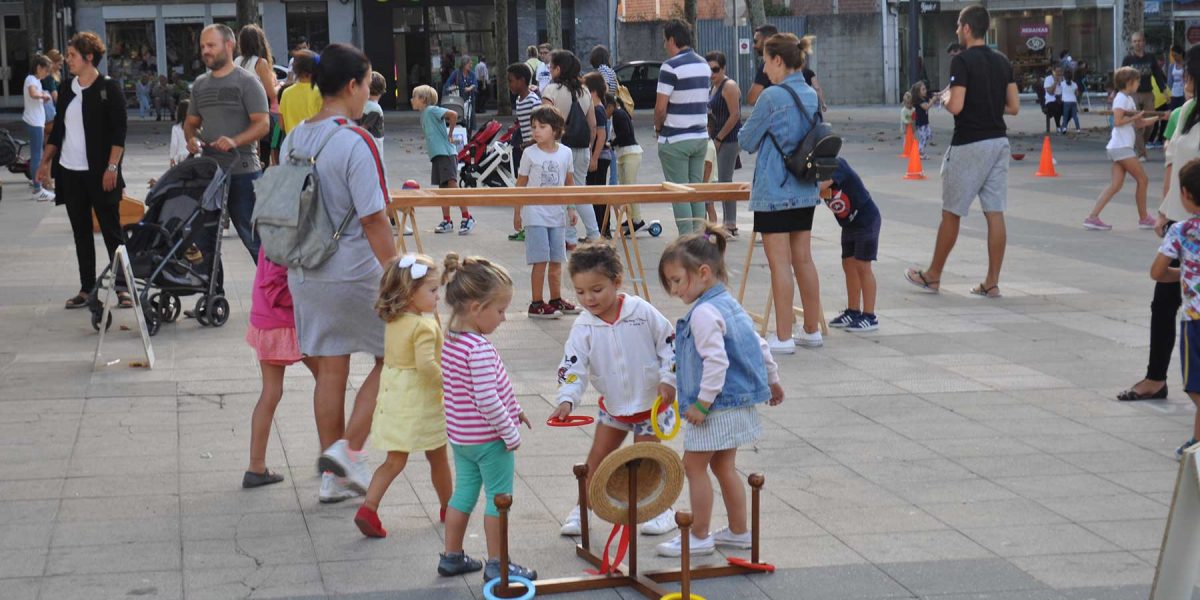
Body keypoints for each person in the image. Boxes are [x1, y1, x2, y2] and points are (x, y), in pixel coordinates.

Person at [284, 43, 399, 503]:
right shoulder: (356, 140)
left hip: (306, 269)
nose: (367, 94)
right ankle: (350, 451)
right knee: (394, 355)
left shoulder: (295, 138)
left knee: (331, 367)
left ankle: (332, 476)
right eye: (368, 85)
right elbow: (374, 218)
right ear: (352, 86)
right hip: (354, 271)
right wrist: (396, 272)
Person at [654, 224, 783, 557]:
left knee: (693, 466)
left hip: (715, 408)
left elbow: (716, 362)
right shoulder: (728, 303)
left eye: (677, 280)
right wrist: (772, 379)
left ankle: (698, 534)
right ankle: (739, 531)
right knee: (723, 467)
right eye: (670, 282)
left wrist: (702, 404)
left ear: (704, 272)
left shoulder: (703, 313)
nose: (673, 289)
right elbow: (757, 343)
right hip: (735, 405)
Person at [550, 243, 680, 538]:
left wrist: (668, 379)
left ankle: (661, 511)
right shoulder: (583, 327)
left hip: (651, 405)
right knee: (596, 459)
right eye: (580, 292)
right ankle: (583, 509)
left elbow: (670, 343)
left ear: (616, 281)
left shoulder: (641, 311)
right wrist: (567, 399)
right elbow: (572, 365)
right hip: (614, 406)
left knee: (647, 460)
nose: (588, 298)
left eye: (596, 289)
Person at [904, 4, 1019, 299]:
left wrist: (944, 98)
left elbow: (956, 105)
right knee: (995, 212)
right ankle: (991, 282)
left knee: (951, 212)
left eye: (958, 25)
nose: (957, 29)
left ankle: (933, 276)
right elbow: (1014, 106)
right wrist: (988, 102)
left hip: (969, 143)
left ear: (967, 28)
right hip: (998, 142)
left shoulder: (962, 62)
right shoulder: (1002, 61)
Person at [437, 253, 537, 582]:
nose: (504, 319)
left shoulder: (451, 341)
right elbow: (486, 398)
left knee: (463, 493)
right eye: (500, 310)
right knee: (499, 499)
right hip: (489, 440)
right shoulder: (478, 349)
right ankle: (498, 563)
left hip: (462, 437)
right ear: (477, 307)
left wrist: (515, 408)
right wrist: (510, 432)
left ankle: (451, 556)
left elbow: (469, 391)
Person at [354, 254, 453, 537]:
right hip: (421, 402)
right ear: (410, 293)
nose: (438, 296)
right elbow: (426, 366)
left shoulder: (395, 321)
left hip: (394, 397)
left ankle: (368, 508)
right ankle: (449, 506)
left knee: (394, 460)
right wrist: (449, 383)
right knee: (438, 457)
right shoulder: (424, 325)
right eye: (432, 290)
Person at [1122, 45, 1200, 403]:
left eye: (1188, 74)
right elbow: (1172, 162)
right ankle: (1156, 378)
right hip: (1180, 225)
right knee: (1163, 303)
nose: (1183, 79)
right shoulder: (1184, 113)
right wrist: (1165, 210)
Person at [739, 33, 824, 353]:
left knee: (779, 264)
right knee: (804, 259)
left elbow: (747, 141)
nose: (764, 69)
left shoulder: (772, 97)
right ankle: (812, 330)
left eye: (765, 62)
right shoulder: (811, 94)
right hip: (805, 187)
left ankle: (784, 337)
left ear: (778, 60)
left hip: (775, 189)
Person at [37, 33, 128, 309]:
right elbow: (58, 131)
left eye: (73, 55)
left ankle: (124, 287)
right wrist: (44, 163)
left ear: (89, 57)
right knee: (81, 231)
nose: (67, 60)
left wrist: (112, 167)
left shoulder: (108, 88)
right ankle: (87, 288)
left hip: (101, 173)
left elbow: (119, 132)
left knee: (112, 231)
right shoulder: (66, 88)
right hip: (71, 172)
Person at [184, 24, 269, 263]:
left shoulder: (248, 82)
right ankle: (215, 296)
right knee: (205, 239)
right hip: (210, 173)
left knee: (254, 240)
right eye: (202, 46)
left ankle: (274, 296)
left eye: (211, 45)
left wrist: (234, 140)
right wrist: (191, 138)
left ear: (229, 46)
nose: (205, 51)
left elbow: (263, 125)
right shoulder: (200, 84)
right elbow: (190, 123)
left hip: (244, 172)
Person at [242, 247, 317, 489]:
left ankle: (256, 466)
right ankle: (332, 456)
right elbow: (276, 283)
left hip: (265, 321)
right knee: (328, 378)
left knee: (271, 392)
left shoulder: (272, 228)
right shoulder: (286, 233)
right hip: (283, 323)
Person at [1150, 158, 1200, 459]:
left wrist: (1182, 275)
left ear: (1185, 194)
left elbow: (1157, 272)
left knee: (1195, 384)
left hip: (1195, 320)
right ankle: (1196, 440)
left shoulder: (1180, 231)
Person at [513, 105, 580, 319]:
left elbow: (569, 183)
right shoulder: (529, 154)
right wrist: (517, 212)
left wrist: (571, 208)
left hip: (557, 214)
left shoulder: (566, 152)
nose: (536, 131)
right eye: (534, 127)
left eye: (542, 126)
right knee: (540, 260)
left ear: (556, 129)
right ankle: (536, 302)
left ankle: (556, 298)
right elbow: (520, 185)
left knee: (557, 260)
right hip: (535, 214)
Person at [1084, 67, 1157, 231]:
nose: (1139, 83)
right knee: (1143, 180)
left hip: (1120, 147)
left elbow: (1139, 123)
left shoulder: (1128, 99)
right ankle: (1144, 218)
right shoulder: (1121, 99)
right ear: (1129, 82)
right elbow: (1117, 121)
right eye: (1137, 80)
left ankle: (1092, 217)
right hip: (1121, 147)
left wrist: (1159, 117)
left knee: (1115, 185)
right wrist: (1136, 117)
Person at [656, 19, 710, 235]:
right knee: (695, 190)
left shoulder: (670, 66)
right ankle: (700, 237)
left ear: (672, 39)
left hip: (675, 138)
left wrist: (658, 128)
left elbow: (660, 108)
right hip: (700, 137)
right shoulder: (704, 64)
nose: (664, 46)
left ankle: (687, 240)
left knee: (679, 192)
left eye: (665, 41)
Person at [542, 49, 601, 243]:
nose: (549, 70)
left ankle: (569, 236)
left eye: (551, 67)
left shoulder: (551, 91)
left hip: (559, 148)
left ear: (558, 69)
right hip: (582, 148)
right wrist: (589, 149)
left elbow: (545, 123)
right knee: (579, 191)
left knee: (563, 193)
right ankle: (594, 233)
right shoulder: (584, 91)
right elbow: (593, 125)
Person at [820, 158, 881, 332]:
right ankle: (853, 310)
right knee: (848, 265)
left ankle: (870, 316)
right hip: (849, 224)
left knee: (863, 265)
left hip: (866, 219)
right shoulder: (814, 171)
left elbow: (819, 187)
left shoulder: (836, 165)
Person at [412, 85, 474, 235]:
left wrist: (450, 134)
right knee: (443, 188)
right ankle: (447, 220)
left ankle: (467, 217)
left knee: (452, 185)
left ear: (424, 99)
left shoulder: (431, 110)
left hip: (445, 154)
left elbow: (453, 114)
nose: (412, 100)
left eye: (415, 97)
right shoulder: (425, 114)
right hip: (438, 155)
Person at [234, 25, 281, 169]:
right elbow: (271, 93)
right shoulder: (260, 63)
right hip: (259, 113)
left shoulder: (236, 61)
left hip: (241, 114)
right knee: (264, 156)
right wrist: (280, 85)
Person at [706, 50, 742, 235]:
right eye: (709, 70)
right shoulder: (713, 86)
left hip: (729, 139)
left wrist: (719, 138)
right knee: (720, 180)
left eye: (716, 69)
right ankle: (728, 221)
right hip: (718, 139)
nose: (712, 73)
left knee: (725, 181)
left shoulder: (729, 86)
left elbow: (735, 115)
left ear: (724, 68)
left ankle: (731, 223)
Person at [1122, 32, 1168, 160]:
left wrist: (1163, 90)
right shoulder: (1128, 59)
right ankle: (1142, 153)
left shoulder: (1150, 58)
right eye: (1135, 41)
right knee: (1137, 123)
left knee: (1149, 124)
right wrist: (1119, 93)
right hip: (1133, 94)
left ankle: (1140, 143)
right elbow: (1121, 77)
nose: (1137, 43)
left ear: (1144, 42)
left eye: (1140, 41)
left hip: (1148, 93)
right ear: (1132, 43)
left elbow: (1158, 74)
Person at [611, 93, 646, 235]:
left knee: (630, 188)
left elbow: (625, 133)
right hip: (625, 154)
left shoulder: (618, 114)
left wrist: (611, 143)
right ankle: (631, 218)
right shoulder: (619, 113)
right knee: (626, 188)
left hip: (630, 154)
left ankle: (637, 220)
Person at [583, 73, 612, 234]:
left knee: (597, 195)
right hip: (598, 157)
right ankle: (600, 229)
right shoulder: (595, 108)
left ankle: (603, 229)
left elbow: (602, 135)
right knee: (595, 193)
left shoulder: (598, 109)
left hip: (600, 158)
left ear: (592, 91)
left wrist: (594, 158)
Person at [24, 55, 54, 201]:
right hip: (35, 122)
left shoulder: (35, 80)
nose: (47, 74)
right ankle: (38, 189)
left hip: (37, 121)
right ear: (39, 68)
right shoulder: (31, 80)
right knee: (37, 155)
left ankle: (38, 187)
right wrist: (43, 95)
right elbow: (33, 93)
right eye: (46, 71)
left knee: (38, 154)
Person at [278, 50, 321, 134]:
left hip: (292, 144)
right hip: (314, 143)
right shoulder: (319, 92)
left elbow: (281, 125)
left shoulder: (286, 92)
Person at [444, 56, 478, 132]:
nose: (471, 66)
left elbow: (475, 84)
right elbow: (447, 84)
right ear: (464, 64)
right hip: (458, 100)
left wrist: (470, 88)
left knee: (468, 119)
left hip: (469, 99)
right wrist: (453, 88)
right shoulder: (456, 73)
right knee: (459, 117)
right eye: (469, 64)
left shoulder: (472, 74)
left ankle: (468, 135)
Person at [358, 71, 387, 152]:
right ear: (381, 90)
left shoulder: (360, 104)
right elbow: (365, 128)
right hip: (373, 144)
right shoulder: (376, 109)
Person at [42, 49, 62, 148]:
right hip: (49, 109)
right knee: (49, 131)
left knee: (48, 133)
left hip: (50, 108)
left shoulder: (55, 75)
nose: (60, 67)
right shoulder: (49, 77)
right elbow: (55, 95)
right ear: (52, 63)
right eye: (59, 64)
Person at [912, 81, 933, 158]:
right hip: (920, 123)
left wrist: (933, 98)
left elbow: (930, 100)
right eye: (923, 89)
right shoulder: (919, 101)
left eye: (925, 89)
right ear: (918, 92)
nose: (925, 91)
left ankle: (921, 149)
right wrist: (932, 101)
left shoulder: (924, 98)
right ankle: (920, 152)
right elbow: (926, 107)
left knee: (928, 134)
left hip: (925, 122)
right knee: (923, 137)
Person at [169, 100, 190, 167]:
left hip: (181, 156)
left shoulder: (176, 128)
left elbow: (174, 144)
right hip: (194, 155)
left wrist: (172, 157)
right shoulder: (195, 126)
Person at [1043, 67, 1064, 133]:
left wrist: (1061, 83)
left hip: (1061, 100)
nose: (1059, 73)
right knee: (1056, 107)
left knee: (1070, 108)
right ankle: (1058, 126)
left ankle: (1063, 126)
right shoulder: (1048, 79)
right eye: (1057, 71)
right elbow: (1050, 92)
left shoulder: (1063, 79)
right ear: (1053, 72)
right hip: (1051, 100)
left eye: (1060, 71)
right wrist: (1055, 82)